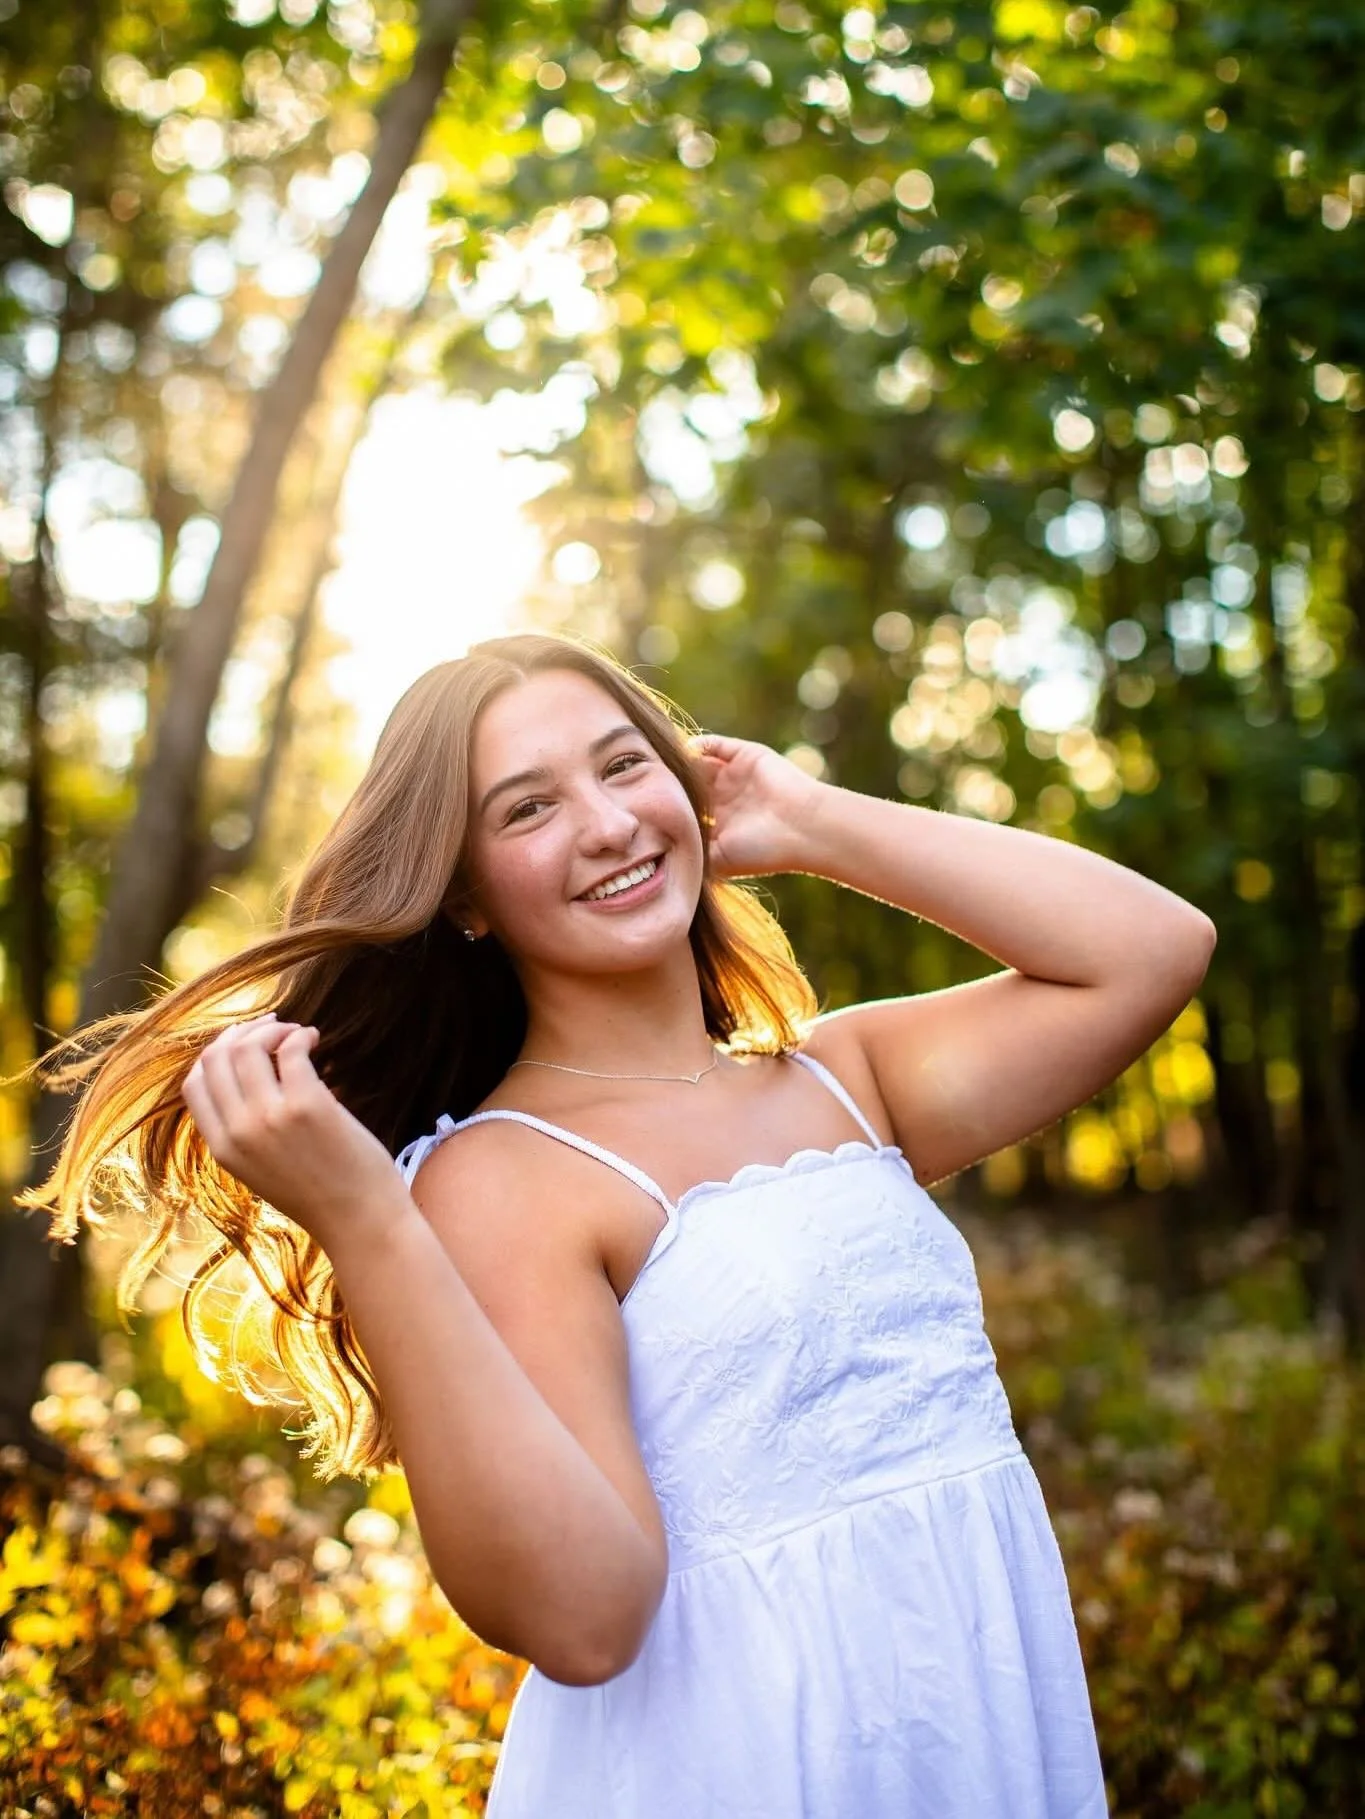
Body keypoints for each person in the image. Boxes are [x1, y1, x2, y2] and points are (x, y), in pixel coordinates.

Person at [26, 631, 1215, 1816]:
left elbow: (1153, 950)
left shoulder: (848, 1078)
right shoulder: (505, 1178)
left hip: (968, 1712)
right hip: (739, 1758)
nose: (605, 824)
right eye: (528, 808)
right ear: (465, 896)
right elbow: (584, 1617)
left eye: (624, 765)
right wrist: (363, 1217)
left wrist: (814, 822)